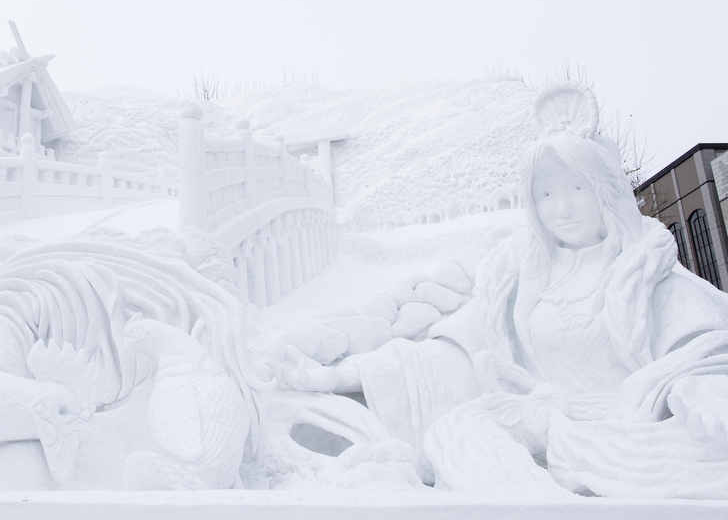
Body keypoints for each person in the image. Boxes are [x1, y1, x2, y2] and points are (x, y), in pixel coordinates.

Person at [283, 83, 728, 498]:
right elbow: (455, 356)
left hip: (627, 434)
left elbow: (706, 354)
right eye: (546, 194)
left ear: (606, 191)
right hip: (546, 425)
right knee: (457, 433)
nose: (563, 208)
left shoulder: (646, 270)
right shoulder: (523, 277)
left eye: (577, 188)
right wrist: (351, 375)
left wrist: (701, 391)